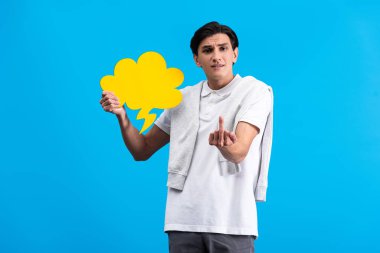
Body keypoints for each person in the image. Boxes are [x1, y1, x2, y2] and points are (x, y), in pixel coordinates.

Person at [100, 21, 273, 253]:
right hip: (182, 221)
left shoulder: (255, 91)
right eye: (207, 50)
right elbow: (141, 150)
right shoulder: (181, 99)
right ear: (196, 59)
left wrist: (224, 147)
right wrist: (122, 116)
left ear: (235, 54)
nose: (216, 56)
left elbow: (239, 150)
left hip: (231, 221)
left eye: (223, 48)